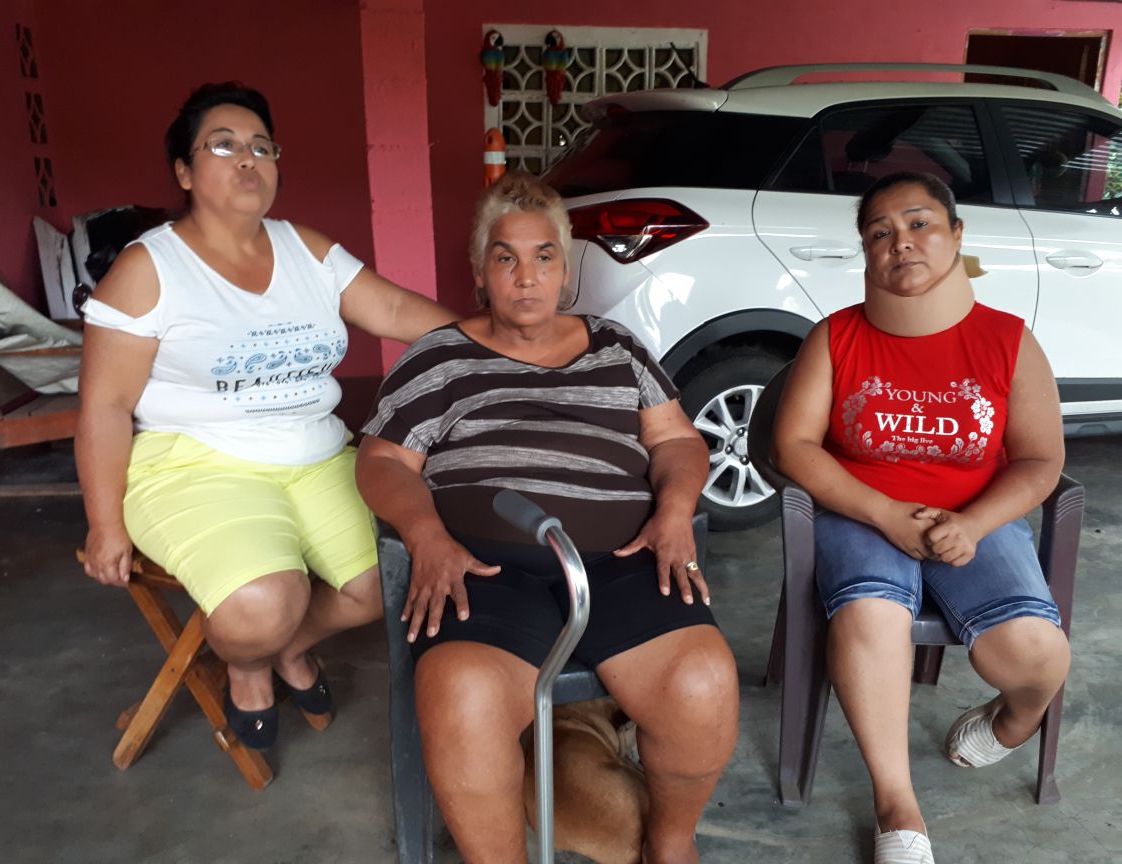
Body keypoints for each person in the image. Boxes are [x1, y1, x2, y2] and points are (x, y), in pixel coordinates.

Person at [356, 171, 739, 864]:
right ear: (480, 270)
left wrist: (676, 509)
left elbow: (678, 440)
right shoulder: (439, 358)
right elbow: (382, 463)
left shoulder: (616, 347)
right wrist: (427, 535)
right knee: (462, 695)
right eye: (506, 257)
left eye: (543, 257)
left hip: (621, 562)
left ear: (565, 268)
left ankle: (670, 844)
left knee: (702, 682)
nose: (526, 276)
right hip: (486, 570)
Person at [76, 82, 456, 750]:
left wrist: (497, 341)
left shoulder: (304, 249)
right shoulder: (148, 268)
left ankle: (290, 646)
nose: (248, 158)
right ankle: (249, 660)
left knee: (389, 582)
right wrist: (104, 522)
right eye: (223, 145)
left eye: (262, 146)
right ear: (186, 172)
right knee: (262, 604)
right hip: (195, 465)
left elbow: (395, 311)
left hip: (318, 455)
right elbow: (105, 404)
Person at [773, 171, 1070, 864]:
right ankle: (897, 806)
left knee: (1034, 653)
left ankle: (1017, 721)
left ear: (957, 236)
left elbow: (1038, 460)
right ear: (866, 252)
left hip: (980, 510)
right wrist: (882, 513)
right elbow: (794, 446)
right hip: (862, 508)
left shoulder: (1008, 340)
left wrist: (973, 522)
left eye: (919, 223)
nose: (900, 243)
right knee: (869, 616)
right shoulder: (835, 337)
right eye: (879, 232)